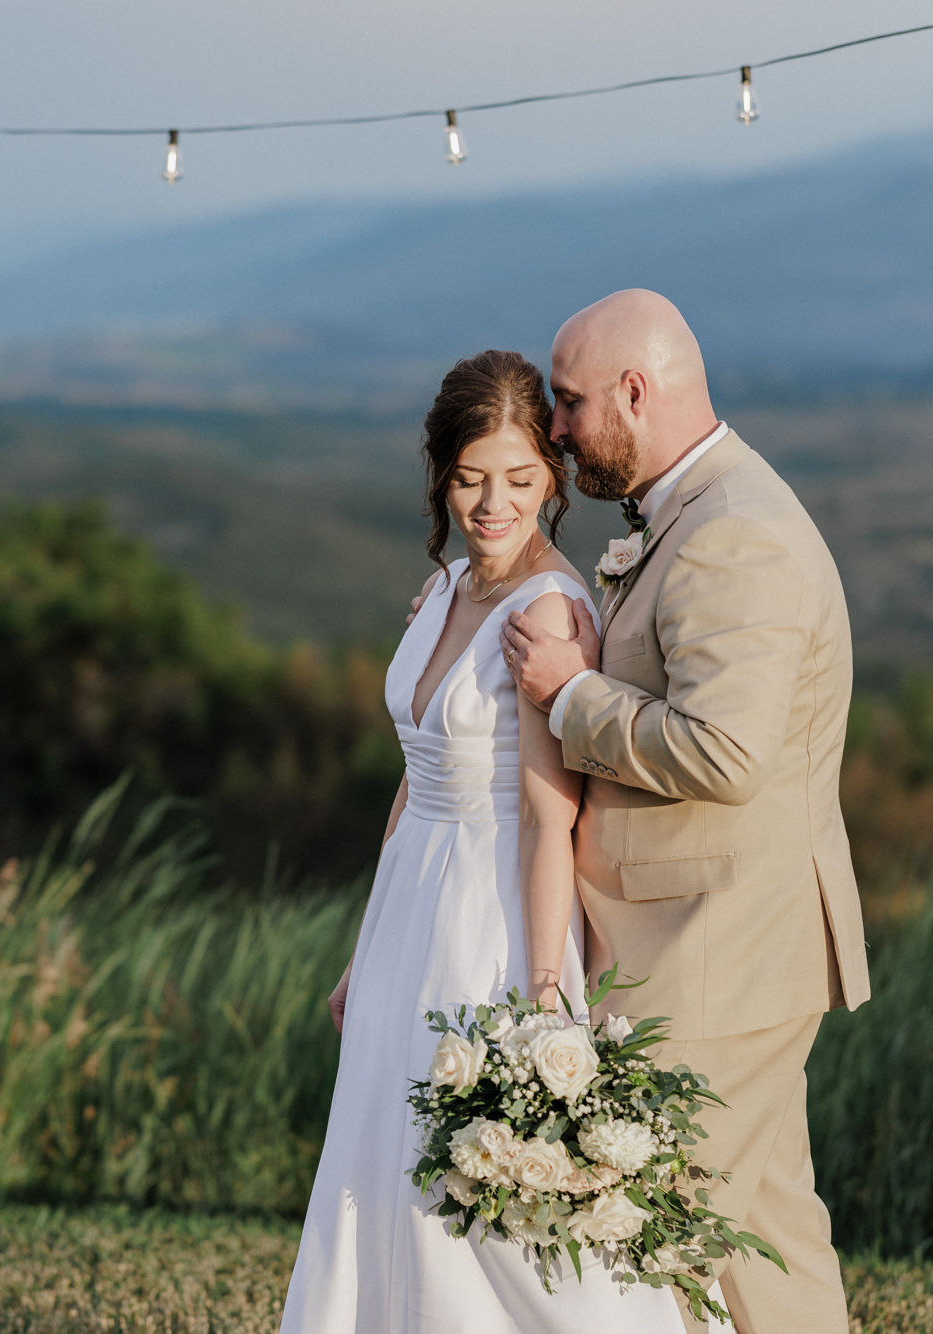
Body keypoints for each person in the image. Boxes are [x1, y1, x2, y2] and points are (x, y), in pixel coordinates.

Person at [278, 350, 683, 1334]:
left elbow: (552, 816)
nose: (490, 503)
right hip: (406, 914)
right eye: (468, 478)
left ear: (550, 476)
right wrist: (359, 952)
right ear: (439, 476)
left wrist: (546, 993)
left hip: (487, 919)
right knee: (379, 1168)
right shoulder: (440, 587)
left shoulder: (547, 611)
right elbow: (413, 784)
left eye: (515, 478)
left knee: (483, 1207)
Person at [498, 289, 871, 1334]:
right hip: (709, 941)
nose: (556, 427)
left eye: (568, 403)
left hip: (721, 947)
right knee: (768, 1251)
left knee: (634, 1245)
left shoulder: (734, 534)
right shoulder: (692, 513)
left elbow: (724, 749)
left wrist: (568, 693)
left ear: (634, 389)